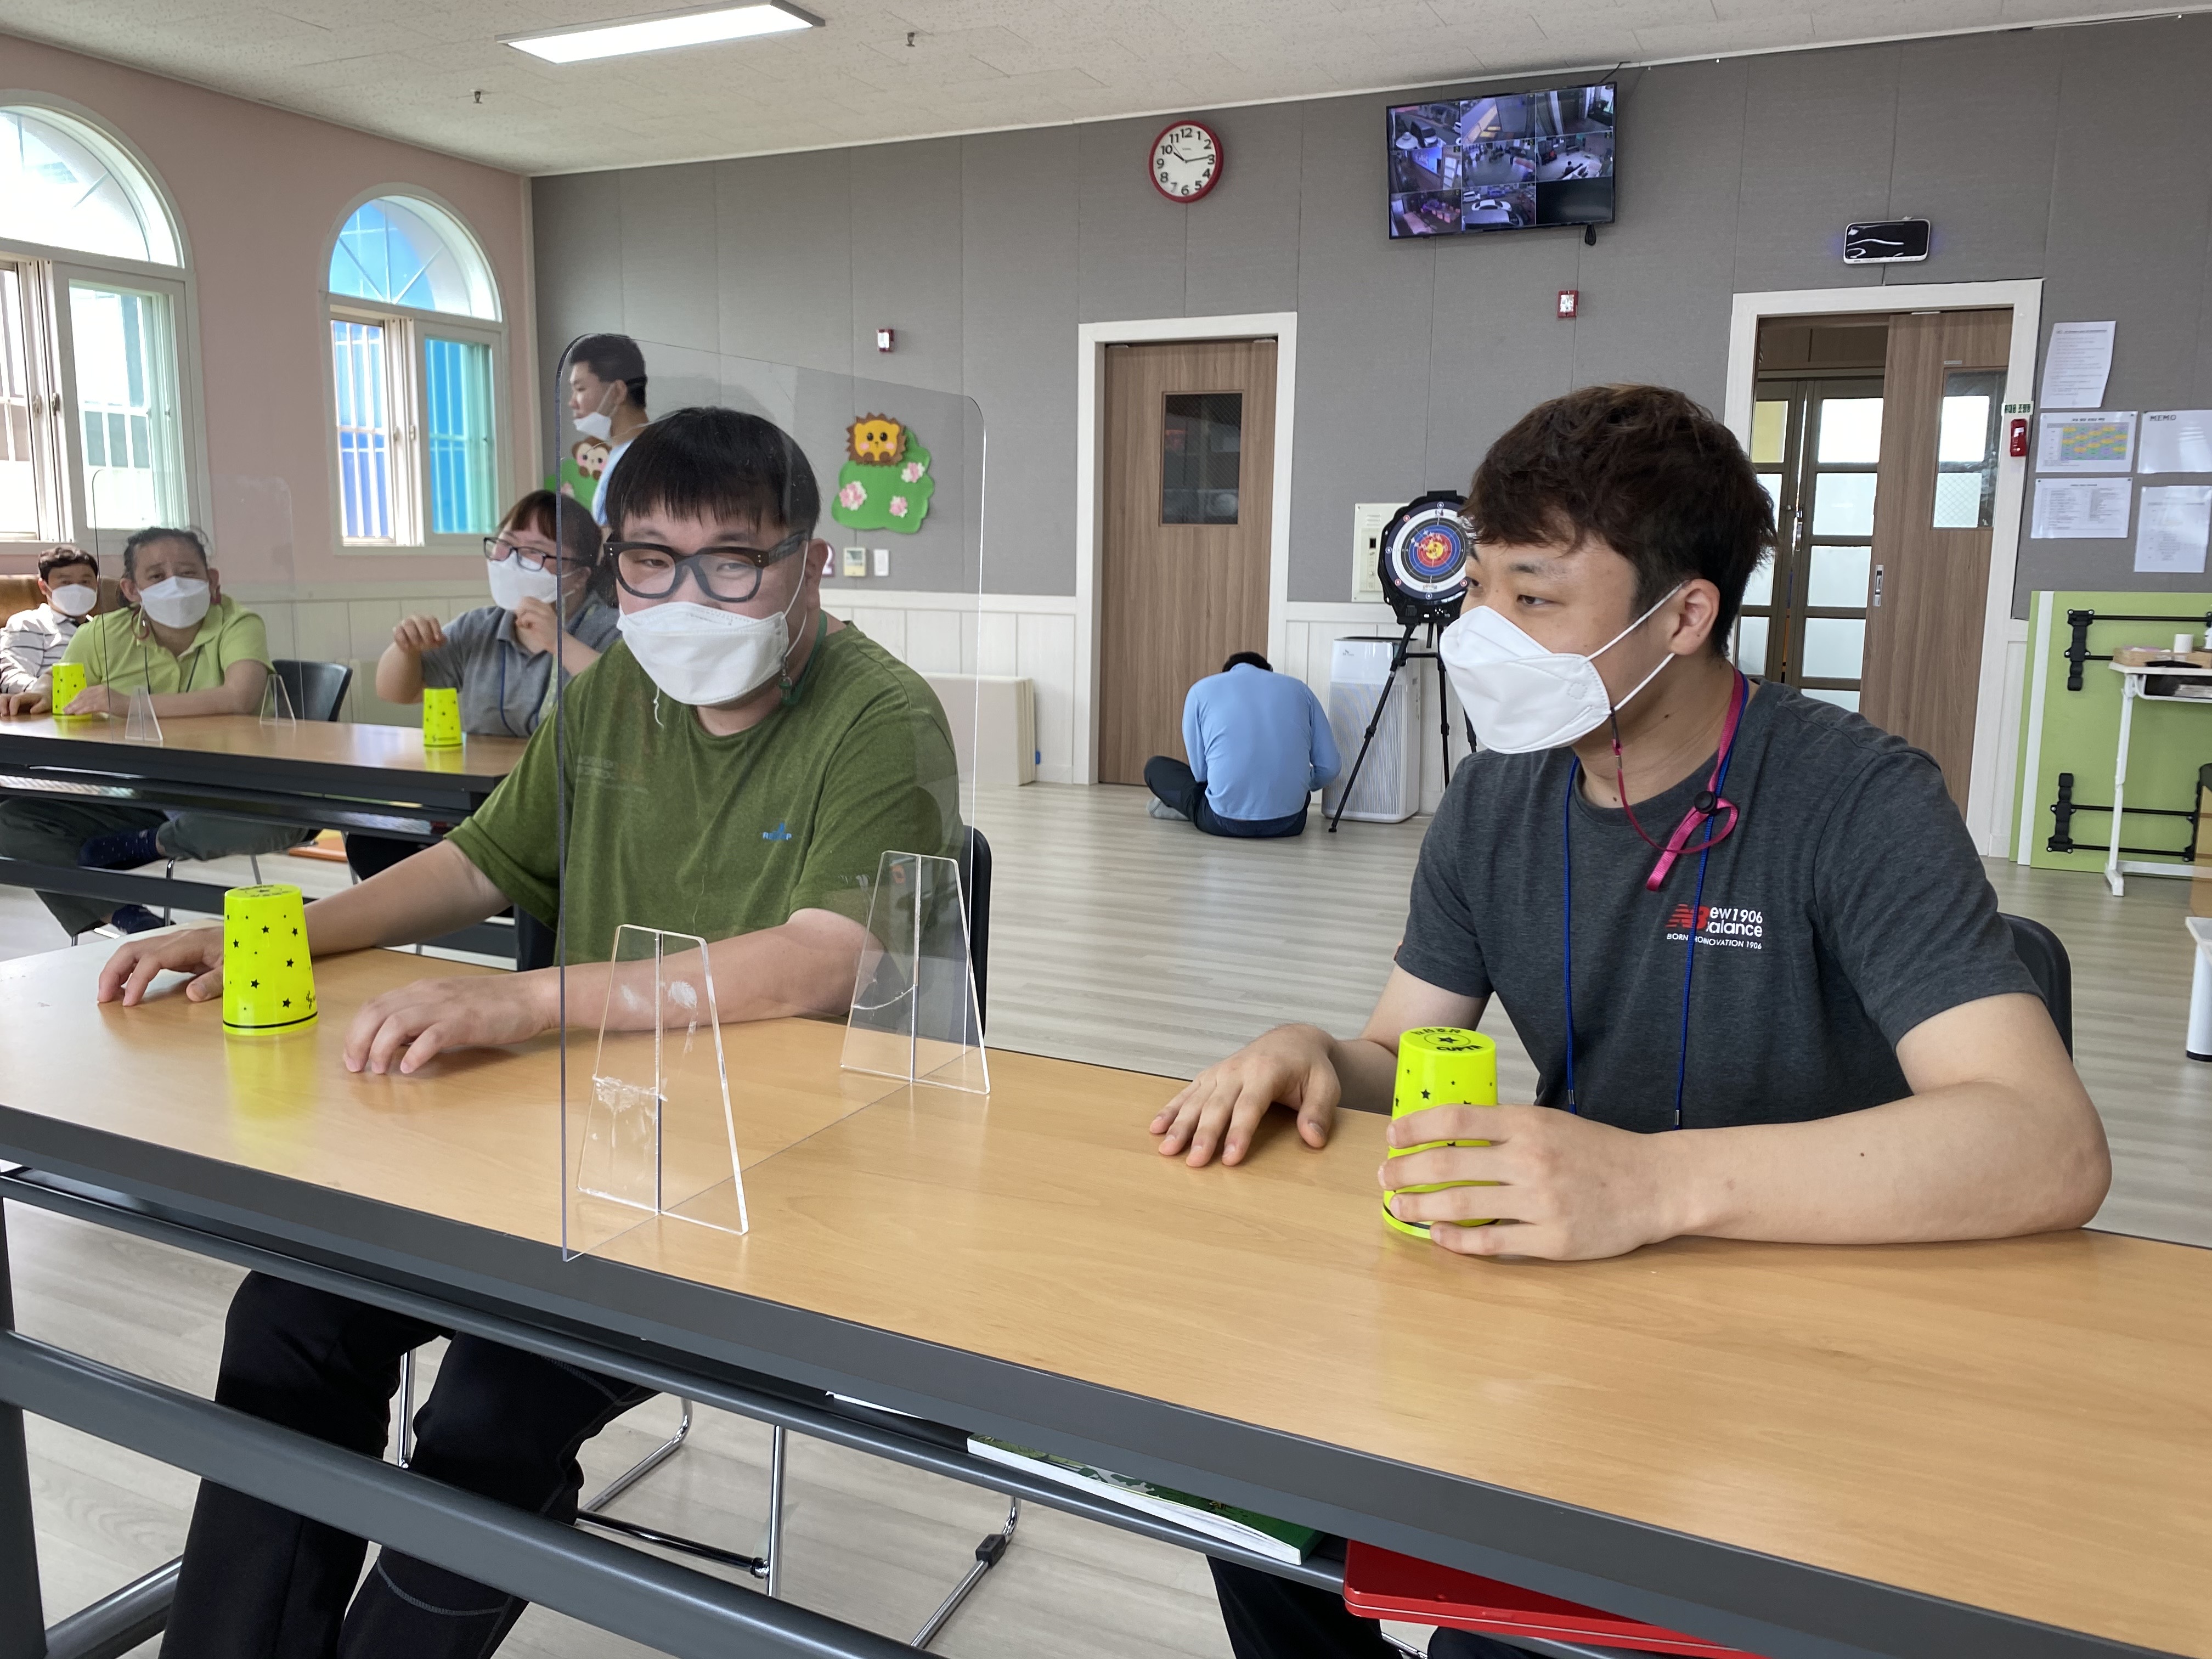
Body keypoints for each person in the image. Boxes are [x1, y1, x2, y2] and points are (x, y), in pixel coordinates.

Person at [1148, 384, 2110, 1659]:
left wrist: (1652, 1183)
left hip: (1816, 1365)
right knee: (1251, 1505)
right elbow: (1402, 1054)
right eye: (1479, 590)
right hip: (1571, 1324)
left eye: (1536, 598)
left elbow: (2046, 1146)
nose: (1485, 636)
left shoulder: (1861, 801)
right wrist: (1312, 1055)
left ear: (1686, 616)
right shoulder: (1494, 801)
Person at [97, 405, 961, 1659]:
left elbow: (832, 958)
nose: (687, 598)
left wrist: (523, 1001)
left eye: (733, 562)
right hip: (578, 1148)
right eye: (651, 563)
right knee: (287, 1323)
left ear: (811, 564)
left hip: (770, 1178)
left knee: (489, 1412)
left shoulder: (881, 714)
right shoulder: (616, 702)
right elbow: (481, 864)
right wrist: (268, 933)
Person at [0, 527, 311, 937]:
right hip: (140, 792)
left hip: (230, 790)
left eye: (188, 572)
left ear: (212, 580)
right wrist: (38, 694)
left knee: (289, 822)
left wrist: (129, 705)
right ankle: (132, 919)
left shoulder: (237, 622)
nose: (175, 584)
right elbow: (61, 679)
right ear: (131, 589)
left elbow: (240, 697)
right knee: (13, 821)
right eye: (157, 576)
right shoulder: (101, 634)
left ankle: (153, 843)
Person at [348, 488, 618, 893]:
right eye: (505, 545)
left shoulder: (610, 630)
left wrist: (558, 641)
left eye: (535, 552)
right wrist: (406, 648)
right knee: (372, 843)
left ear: (579, 575)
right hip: (478, 804)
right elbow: (396, 691)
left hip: (565, 812)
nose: (512, 561)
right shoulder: (480, 627)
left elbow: (623, 698)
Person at [1146, 651, 1340, 837]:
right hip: (1291, 823)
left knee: (1155, 767)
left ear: (1226, 674)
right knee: (1295, 787)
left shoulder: (1200, 691)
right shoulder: (1301, 690)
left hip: (1221, 822)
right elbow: (1330, 768)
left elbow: (1201, 775)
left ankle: (1182, 809)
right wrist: (1305, 782)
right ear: (1268, 672)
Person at [566, 331, 650, 529]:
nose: (572, 403)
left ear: (618, 392)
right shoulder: (620, 454)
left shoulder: (645, 462)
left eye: (580, 389)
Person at [0, 544, 100, 694]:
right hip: (57, 704)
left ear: (96, 584)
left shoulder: (105, 629)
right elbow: (12, 678)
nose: (77, 590)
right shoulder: (29, 624)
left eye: (85, 582)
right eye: (65, 583)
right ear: (43, 587)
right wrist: (52, 694)